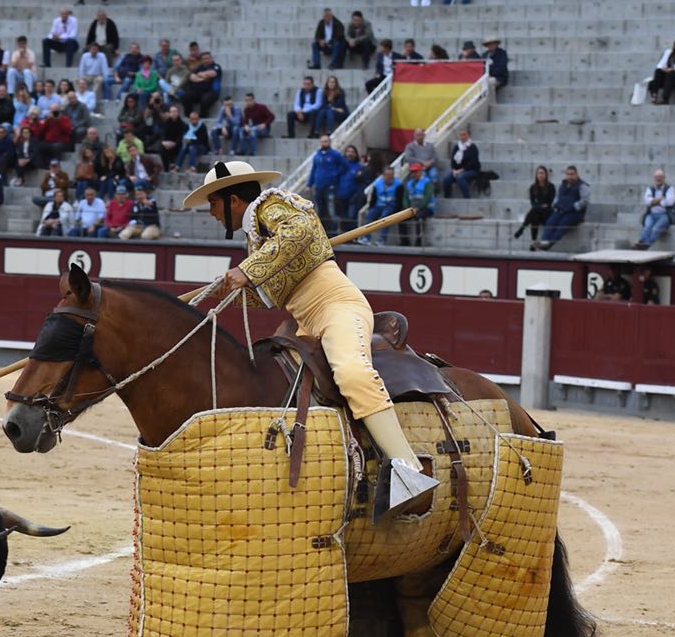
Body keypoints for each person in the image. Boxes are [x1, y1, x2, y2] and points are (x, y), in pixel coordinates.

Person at [186, 158, 438, 535]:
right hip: (305, 322)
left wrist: (248, 271)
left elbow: (301, 230)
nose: (210, 213)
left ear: (233, 200)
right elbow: (271, 292)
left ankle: (408, 469)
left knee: (352, 371)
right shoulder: (257, 234)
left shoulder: (270, 206)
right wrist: (233, 289)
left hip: (337, 307)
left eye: (212, 203)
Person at [534, 165, 589, 250]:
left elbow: (585, 201)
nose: (570, 176)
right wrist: (555, 204)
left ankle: (549, 244)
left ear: (577, 174)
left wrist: (573, 207)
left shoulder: (582, 186)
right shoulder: (563, 184)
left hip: (575, 213)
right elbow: (557, 196)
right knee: (551, 221)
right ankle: (544, 241)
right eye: (568, 174)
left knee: (563, 223)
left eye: (572, 174)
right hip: (562, 210)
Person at [512, 165, 556, 241]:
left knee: (534, 212)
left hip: (547, 213)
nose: (540, 175)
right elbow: (532, 202)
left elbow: (549, 203)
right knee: (534, 217)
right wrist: (540, 206)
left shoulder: (551, 187)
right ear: (536, 175)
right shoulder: (533, 187)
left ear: (546, 175)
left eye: (542, 173)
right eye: (539, 173)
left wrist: (539, 205)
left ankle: (522, 229)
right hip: (537, 211)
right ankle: (533, 242)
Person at [638, 168, 675, 249]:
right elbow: (647, 201)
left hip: (664, 215)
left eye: (660, 177)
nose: (658, 178)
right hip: (651, 214)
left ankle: (646, 245)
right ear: (654, 178)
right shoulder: (650, 188)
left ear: (664, 178)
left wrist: (654, 201)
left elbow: (670, 202)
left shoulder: (669, 188)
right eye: (656, 177)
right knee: (647, 227)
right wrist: (661, 200)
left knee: (656, 229)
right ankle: (642, 242)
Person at [448, 129, 481, 198]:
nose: (462, 136)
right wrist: (454, 170)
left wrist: (460, 171)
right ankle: (447, 196)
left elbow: (473, 162)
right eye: (461, 135)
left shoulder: (473, 147)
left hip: (472, 170)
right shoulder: (457, 147)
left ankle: (467, 197)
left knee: (460, 177)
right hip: (457, 170)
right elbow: (452, 160)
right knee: (446, 178)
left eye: (464, 134)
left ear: (468, 135)